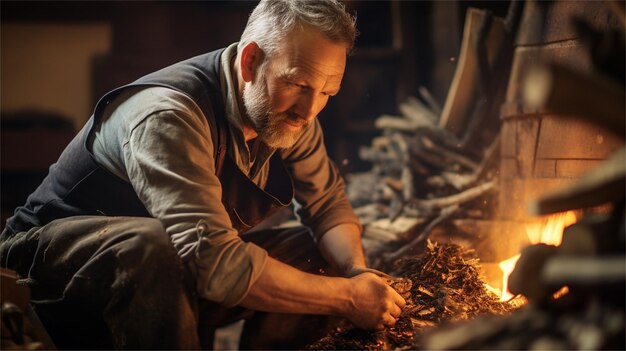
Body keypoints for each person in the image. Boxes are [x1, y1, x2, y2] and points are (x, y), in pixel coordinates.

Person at [0, 0, 406, 349]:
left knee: (318, 256)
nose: (309, 109)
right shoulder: (168, 116)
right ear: (249, 61)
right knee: (153, 245)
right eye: (298, 84)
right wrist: (347, 298)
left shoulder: (290, 116)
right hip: (47, 274)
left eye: (327, 92)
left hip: (172, 270)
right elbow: (216, 264)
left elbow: (327, 205)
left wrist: (355, 273)